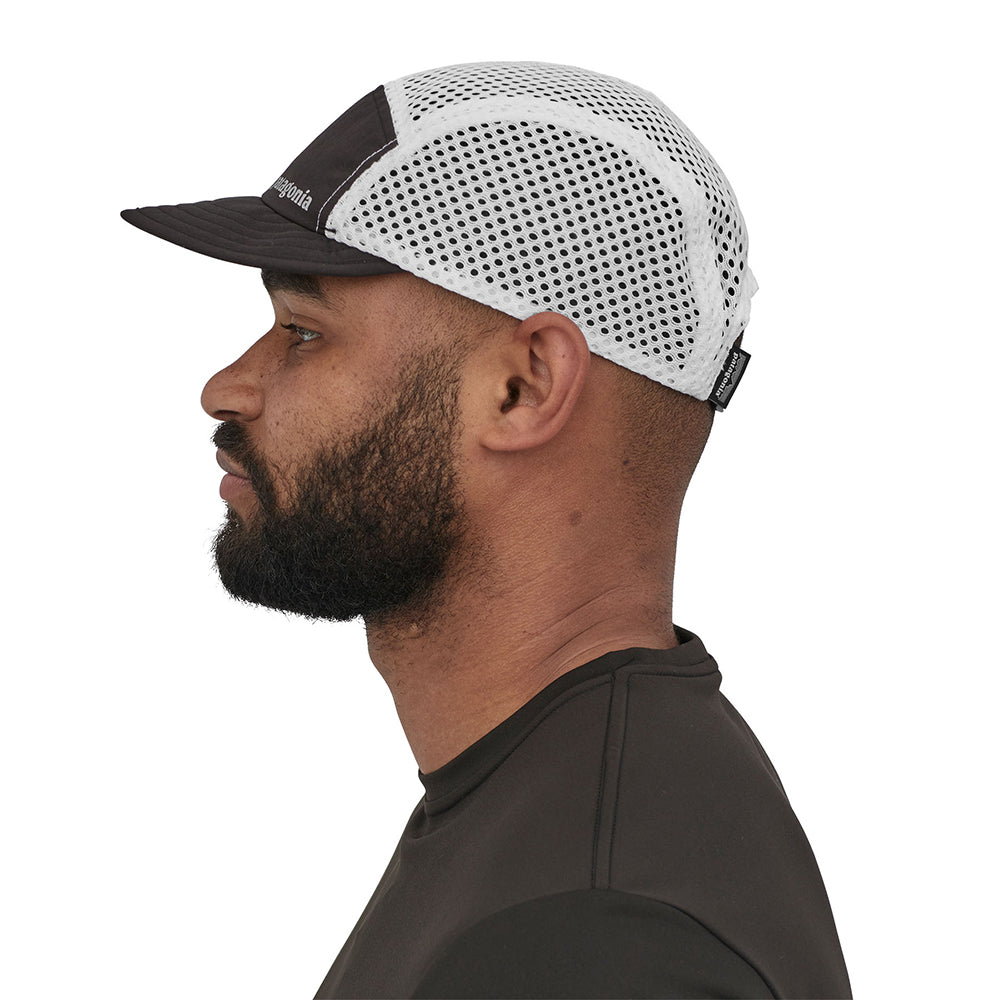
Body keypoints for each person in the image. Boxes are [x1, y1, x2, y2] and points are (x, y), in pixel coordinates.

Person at [122, 61, 851, 999]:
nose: (226, 388)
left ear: (523, 388)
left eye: (304, 331)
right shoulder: (555, 812)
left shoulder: (598, 936)